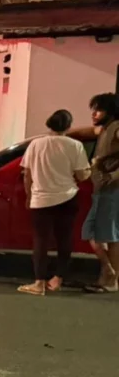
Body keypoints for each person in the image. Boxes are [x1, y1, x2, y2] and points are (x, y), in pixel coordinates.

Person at [17, 110, 91, 296]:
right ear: (68, 125)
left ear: (49, 124)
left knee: (41, 241)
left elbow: (27, 174)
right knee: (64, 239)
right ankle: (58, 278)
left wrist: (28, 196)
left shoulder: (36, 144)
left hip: (41, 199)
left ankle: (39, 283)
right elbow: (82, 174)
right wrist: (92, 168)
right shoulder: (75, 146)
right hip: (68, 197)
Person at [72, 93, 119, 293]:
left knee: (102, 235)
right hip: (102, 190)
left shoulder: (116, 128)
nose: (94, 113)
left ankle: (110, 277)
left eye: (99, 109)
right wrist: (61, 132)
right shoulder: (104, 129)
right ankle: (108, 277)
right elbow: (84, 131)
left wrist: (114, 175)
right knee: (107, 236)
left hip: (110, 190)